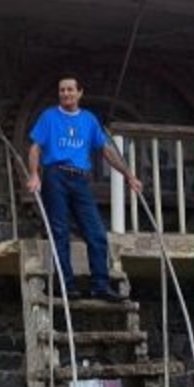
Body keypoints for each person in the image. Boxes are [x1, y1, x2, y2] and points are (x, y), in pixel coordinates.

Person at [26, 75, 142, 301]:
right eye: (62, 90)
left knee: (96, 232)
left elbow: (106, 150)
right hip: (55, 175)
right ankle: (66, 285)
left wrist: (129, 175)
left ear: (80, 93)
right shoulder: (49, 117)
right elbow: (35, 148)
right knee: (60, 231)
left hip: (80, 179)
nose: (66, 94)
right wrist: (34, 175)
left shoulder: (88, 120)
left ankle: (100, 284)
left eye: (70, 90)